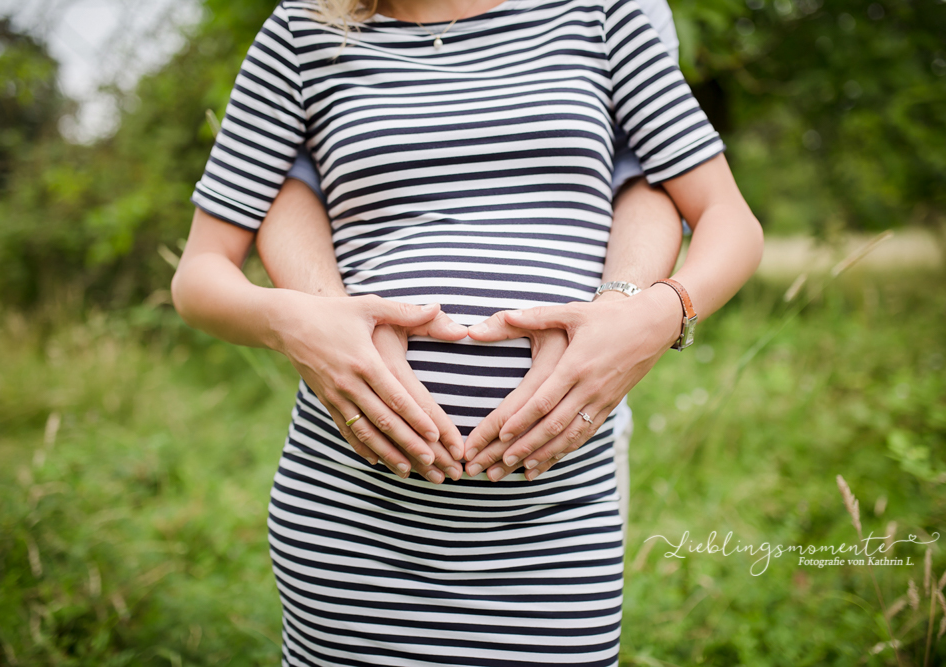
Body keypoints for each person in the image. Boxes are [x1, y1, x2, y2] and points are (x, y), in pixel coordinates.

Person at [171, 0, 764, 664]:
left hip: (555, 522)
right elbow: (199, 276)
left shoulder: (602, 13)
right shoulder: (303, 31)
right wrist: (297, 322)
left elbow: (728, 220)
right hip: (352, 520)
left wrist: (659, 313)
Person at [255, 0, 686, 535]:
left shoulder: (607, 15)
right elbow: (279, 185)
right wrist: (318, 318)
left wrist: (640, 312)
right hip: (347, 504)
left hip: (562, 498)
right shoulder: (305, 29)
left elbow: (661, 177)